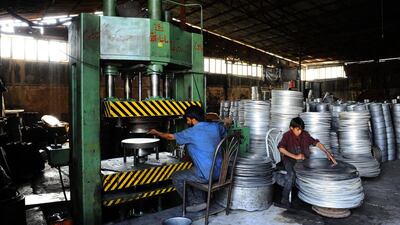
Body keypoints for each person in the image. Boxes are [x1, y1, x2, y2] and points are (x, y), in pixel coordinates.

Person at [148, 105, 226, 212]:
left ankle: (194, 202)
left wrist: (156, 133)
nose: (187, 121)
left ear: (193, 119)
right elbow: (224, 127)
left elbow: (170, 137)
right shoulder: (215, 127)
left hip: (207, 175)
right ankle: (200, 201)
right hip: (221, 172)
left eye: (188, 119)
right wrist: (227, 122)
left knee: (176, 176)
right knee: (194, 170)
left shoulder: (191, 132)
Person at [277, 117, 337, 207]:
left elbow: (316, 143)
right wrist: (295, 156)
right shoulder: (287, 135)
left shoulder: (305, 135)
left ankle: (311, 196)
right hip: (289, 160)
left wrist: (327, 153)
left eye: (301, 129)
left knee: (314, 173)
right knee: (291, 175)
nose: (300, 132)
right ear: (291, 128)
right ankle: (284, 199)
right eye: (297, 130)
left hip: (303, 161)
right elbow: (281, 148)